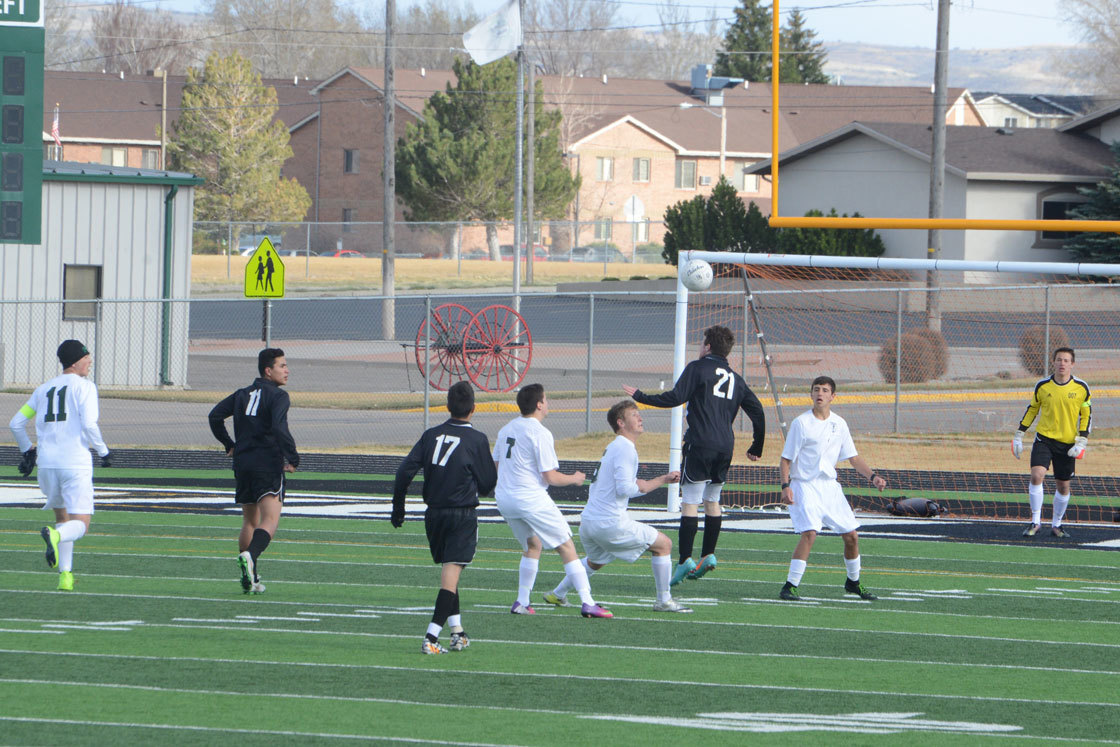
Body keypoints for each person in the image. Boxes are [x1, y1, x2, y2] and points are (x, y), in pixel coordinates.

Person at [623, 324, 765, 586]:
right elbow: (757, 411)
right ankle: (708, 554)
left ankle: (684, 560)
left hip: (700, 443)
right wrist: (757, 446)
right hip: (725, 447)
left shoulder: (697, 368)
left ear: (708, 346)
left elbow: (675, 397)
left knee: (689, 502)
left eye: (702, 343)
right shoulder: (736, 378)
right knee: (712, 500)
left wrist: (641, 396)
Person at [544, 400, 691, 613]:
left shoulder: (615, 446)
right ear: (621, 423)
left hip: (589, 522)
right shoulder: (625, 448)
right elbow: (625, 489)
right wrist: (660, 480)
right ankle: (664, 600)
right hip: (609, 522)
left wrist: (658, 479)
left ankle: (557, 594)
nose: (640, 418)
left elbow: (623, 483)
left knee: (596, 561)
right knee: (664, 545)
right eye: (634, 415)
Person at [391, 381, 497, 655]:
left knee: (451, 573)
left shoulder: (430, 435)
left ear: (448, 406)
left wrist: (398, 507)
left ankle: (457, 632)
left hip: (434, 515)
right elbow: (488, 484)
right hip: (461, 513)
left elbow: (403, 472)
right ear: (474, 408)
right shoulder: (477, 439)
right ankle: (431, 636)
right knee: (451, 574)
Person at [492, 383, 612, 618]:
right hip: (529, 498)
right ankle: (587, 602)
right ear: (539, 404)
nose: (548, 403)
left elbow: (497, 464)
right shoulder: (540, 433)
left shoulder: (506, 429)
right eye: (545, 399)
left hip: (505, 498)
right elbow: (550, 477)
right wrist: (575, 478)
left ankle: (522, 601)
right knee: (566, 545)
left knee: (532, 545)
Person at [9, 340, 112, 591]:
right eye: (86, 357)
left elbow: (16, 423)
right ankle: (56, 536)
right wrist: (104, 451)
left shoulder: (43, 389)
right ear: (75, 362)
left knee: (62, 517)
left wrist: (27, 451)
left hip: (47, 465)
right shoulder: (85, 387)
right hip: (74, 462)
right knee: (80, 524)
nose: (90, 361)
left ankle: (65, 577)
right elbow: (89, 424)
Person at [778, 376, 884, 602]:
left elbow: (853, 458)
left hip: (830, 488)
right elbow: (786, 459)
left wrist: (873, 477)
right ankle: (790, 586)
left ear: (833, 396)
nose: (820, 393)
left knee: (852, 536)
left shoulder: (840, 424)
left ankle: (853, 582)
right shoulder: (801, 423)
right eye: (816, 389)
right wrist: (785, 486)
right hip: (804, 486)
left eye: (825, 390)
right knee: (810, 533)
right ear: (811, 394)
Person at [208, 348, 299, 594]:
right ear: (268, 371)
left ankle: (252, 577)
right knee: (270, 519)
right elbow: (279, 427)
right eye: (282, 366)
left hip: (243, 463)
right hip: (267, 463)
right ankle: (251, 555)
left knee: (249, 521)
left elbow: (215, 416)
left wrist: (229, 444)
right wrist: (292, 457)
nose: (287, 370)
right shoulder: (279, 396)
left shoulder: (242, 394)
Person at [1013, 347, 1091, 538]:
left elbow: (1086, 415)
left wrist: (1082, 441)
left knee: (1063, 486)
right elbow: (1032, 409)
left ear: (1072, 364)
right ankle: (1035, 522)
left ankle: (1057, 525)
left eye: (1066, 360)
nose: (1062, 363)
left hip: (1068, 444)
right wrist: (1019, 434)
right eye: (1059, 360)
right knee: (1036, 475)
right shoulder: (1043, 385)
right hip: (1044, 439)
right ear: (1053, 362)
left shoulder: (1081, 388)